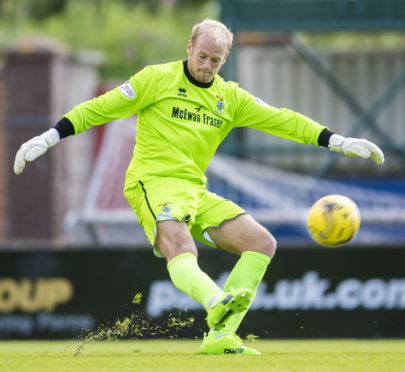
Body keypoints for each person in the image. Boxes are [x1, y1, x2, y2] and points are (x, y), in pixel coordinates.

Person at [13, 19, 384, 355]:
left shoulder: (230, 99)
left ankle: (221, 335)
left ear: (225, 60)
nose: (207, 65)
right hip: (153, 181)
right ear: (189, 47)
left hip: (195, 190)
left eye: (216, 60)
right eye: (202, 56)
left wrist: (337, 141)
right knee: (181, 246)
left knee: (262, 243)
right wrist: (49, 137)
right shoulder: (155, 79)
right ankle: (215, 301)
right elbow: (100, 108)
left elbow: (283, 121)